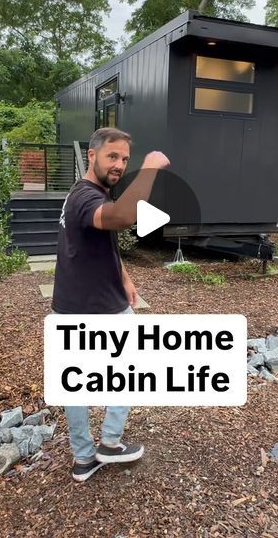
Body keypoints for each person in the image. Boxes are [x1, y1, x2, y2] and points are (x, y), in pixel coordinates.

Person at [51, 127, 170, 482]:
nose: (119, 165)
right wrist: (149, 167)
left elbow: (96, 244)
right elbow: (120, 217)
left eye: (125, 160)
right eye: (112, 157)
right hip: (99, 307)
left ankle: (84, 458)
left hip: (70, 304)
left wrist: (125, 276)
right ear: (92, 155)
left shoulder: (85, 193)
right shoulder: (86, 198)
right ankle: (111, 443)